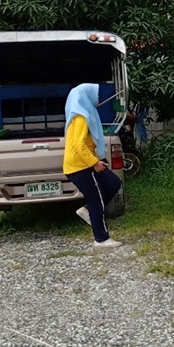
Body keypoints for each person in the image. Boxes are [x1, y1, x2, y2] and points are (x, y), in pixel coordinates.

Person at [63, 83, 123, 249]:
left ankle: (88, 210)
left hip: (86, 162)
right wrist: (94, 163)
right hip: (80, 166)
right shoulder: (81, 117)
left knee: (113, 183)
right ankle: (101, 239)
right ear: (85, 96)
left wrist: (97, 160)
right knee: (96, 199)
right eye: (94, 95)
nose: (98, 99)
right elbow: (79, 144)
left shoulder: (85, 114)